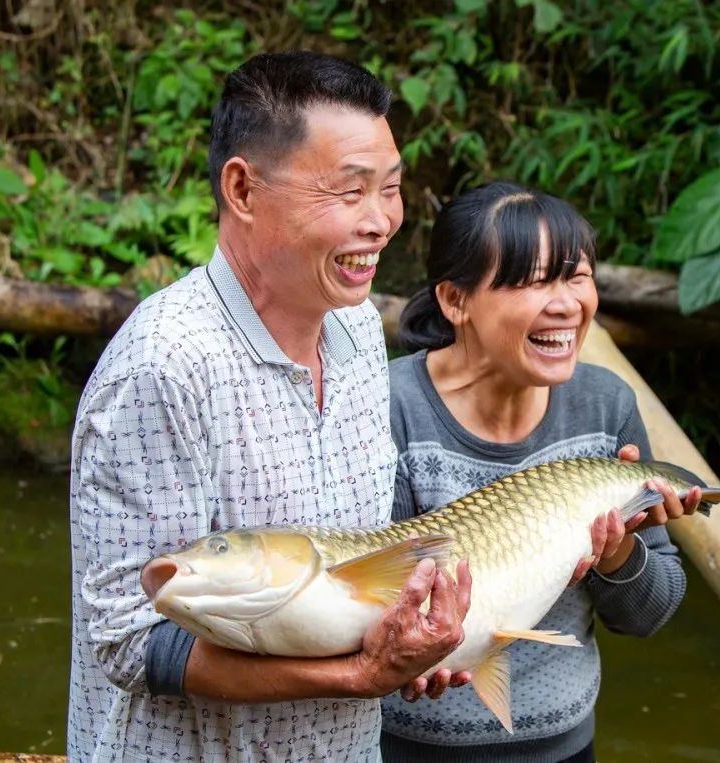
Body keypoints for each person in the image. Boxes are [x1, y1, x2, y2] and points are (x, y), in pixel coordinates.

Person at [67, 51, 472, 763]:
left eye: (392, 189)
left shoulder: (354, 326)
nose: (382, 220)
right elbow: (131, 643)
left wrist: (404, 641)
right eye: (349, 191)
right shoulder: (164, 365)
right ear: (243, 189)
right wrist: (354, 676)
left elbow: (352, 573)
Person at [379, 181, 701, 762]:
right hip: (406, 748)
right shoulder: (390, 407)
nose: (566, 303)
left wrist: (619, 555)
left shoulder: (606, 408)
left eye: (576, 277)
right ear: (455, 301)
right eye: (532, 281)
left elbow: (651, 614)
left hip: (563, 746)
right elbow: (366, 599)